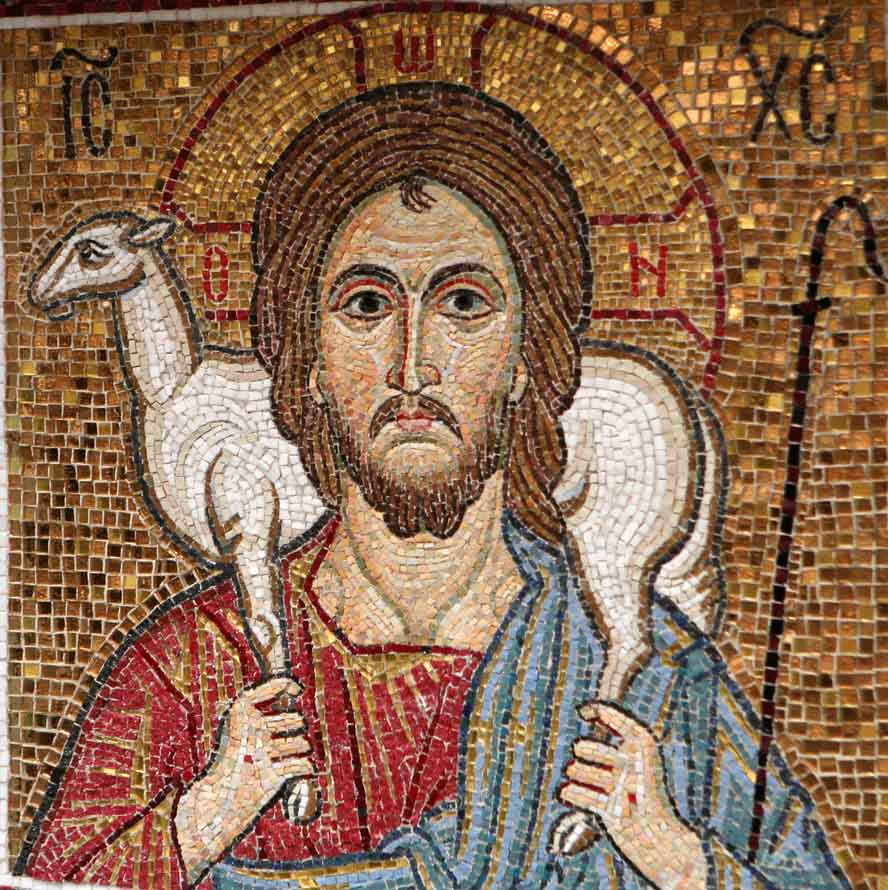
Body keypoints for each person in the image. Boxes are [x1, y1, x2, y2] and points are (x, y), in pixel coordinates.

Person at [18, 83, 850, 890]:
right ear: (307, 365)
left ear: (527, 359)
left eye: (463, 302)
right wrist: (206, 814)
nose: (413, 365)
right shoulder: (191, 669)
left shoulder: (654, 684)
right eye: (366, 304)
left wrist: (675, 857)